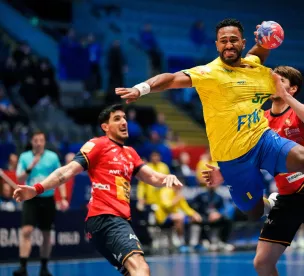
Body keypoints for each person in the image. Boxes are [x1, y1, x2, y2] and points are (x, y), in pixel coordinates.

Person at [115, 18, 304, 221]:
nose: (229, 44)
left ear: (242, 42)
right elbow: (171, 79)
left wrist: (266, 36)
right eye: (223, 41)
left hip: (262, 139)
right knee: (252, 212)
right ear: (216, 45)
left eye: (234, 40)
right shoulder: (208, 73)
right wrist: (143, 88)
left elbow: (261, 51)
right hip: (232, 157)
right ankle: (272, 204)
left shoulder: (255, 67)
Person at [203, 66, 304, 275]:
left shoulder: (301, 109)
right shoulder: (260, 120)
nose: (273, 85)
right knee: (262, 262)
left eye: (280, 81)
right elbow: (247, 154)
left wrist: (286, 97)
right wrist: (223, 172)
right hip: (287, 198)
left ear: (292, 88)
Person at [13, 104, 183, 276]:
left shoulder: (131, 153)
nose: (124, 122)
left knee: (133, 272)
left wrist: (166, 178)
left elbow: (152, 177)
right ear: (105, 127)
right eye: (117, 119)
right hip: (108, 218)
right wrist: (37, 189)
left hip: (110, 223)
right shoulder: (98, 145)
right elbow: (67, 171)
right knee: (141, 267)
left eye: (124, 118)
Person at [13, 131, 69, 276]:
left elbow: (60, 178)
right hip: (30, 199)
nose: (38, 142)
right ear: (32, 141)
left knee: (46, 234)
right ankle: (23, 267)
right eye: (36, 140)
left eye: (41, 140)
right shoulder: (25, 157)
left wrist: (63, 198)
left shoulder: (52, 157)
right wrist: (31, 166)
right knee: (26, 231)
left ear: (44, 142)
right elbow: (19, 178)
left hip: (47, 199)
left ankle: (44, 267)